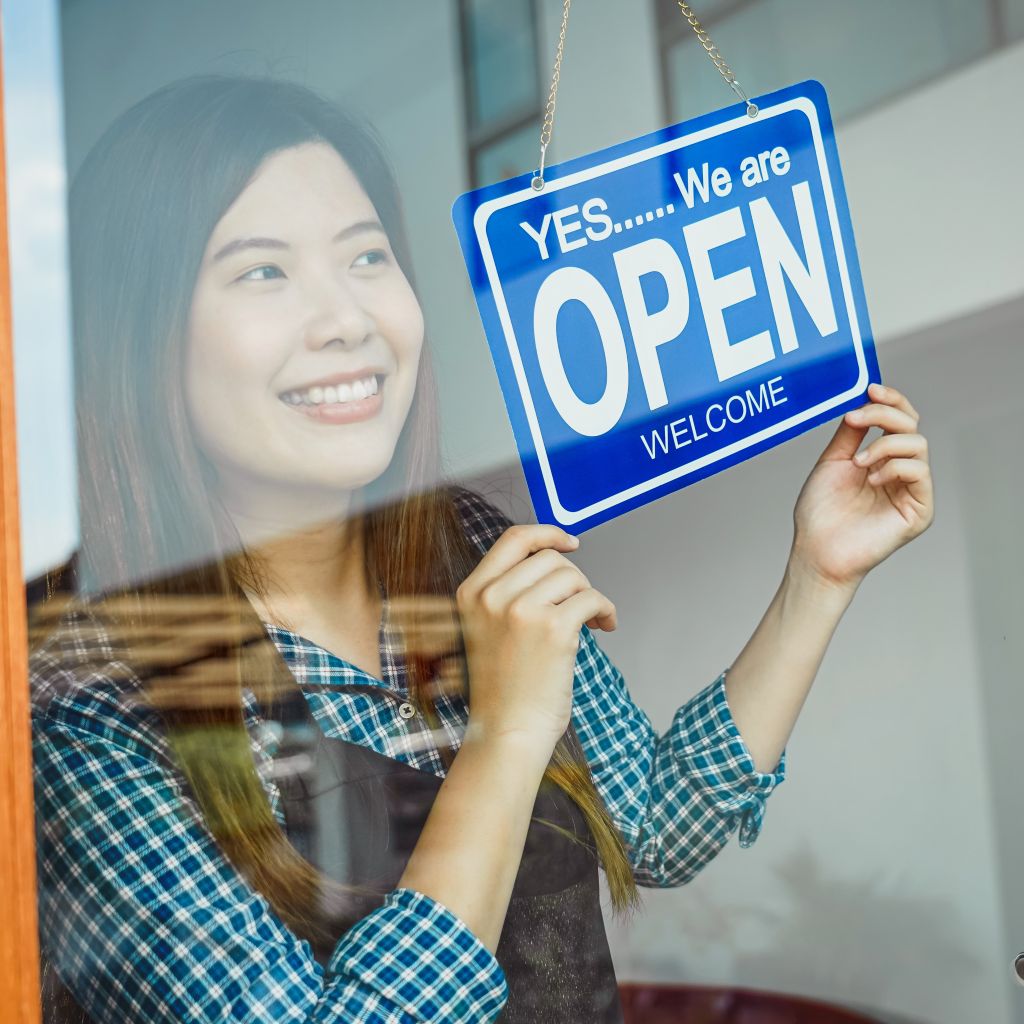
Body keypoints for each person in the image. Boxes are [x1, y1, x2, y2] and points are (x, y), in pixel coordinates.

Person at [28, 74, 934, 1024]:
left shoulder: (468, 549)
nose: (348, 319)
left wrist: (818, 576)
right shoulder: (89, 703)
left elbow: (655, 829)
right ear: (139, 338)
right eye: (264, 272)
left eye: (367, 257)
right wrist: (501, 739)